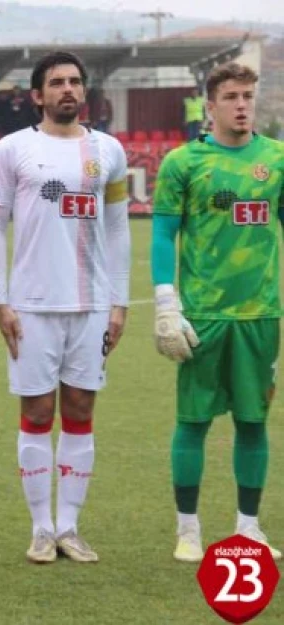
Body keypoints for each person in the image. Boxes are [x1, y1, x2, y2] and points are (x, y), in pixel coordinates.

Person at [0, 51, 130, 564]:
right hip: (33, 306)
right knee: (38, 412)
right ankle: (41, 528)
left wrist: (119, 302)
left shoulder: (108, 150)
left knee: (82, 412)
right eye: (57, 82)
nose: (68, 89)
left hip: (90, 305)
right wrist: (0, 301)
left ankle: (70, 527)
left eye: (75, 81)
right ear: (37, 95)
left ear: (84, 91)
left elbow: (117, 227)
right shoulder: (14, 149)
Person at [151, 62, 284, 563]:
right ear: (210, 106)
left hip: (260, 315)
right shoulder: (184, 163)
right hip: (202, 315)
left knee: (254, 422)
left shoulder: (277, 159)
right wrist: (166, 300)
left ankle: (248, 527)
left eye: (248, 95)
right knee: (194, 420)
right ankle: (188, 529)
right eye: (231, 96)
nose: (242, 104)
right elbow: (163, 234)